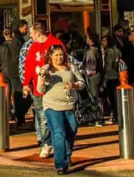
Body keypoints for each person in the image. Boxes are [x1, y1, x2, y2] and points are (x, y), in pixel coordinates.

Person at [36, 44, 85, 175]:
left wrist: (75, 85)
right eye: (56, 55)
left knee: (71, 130)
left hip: (69, 105)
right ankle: (60, 164)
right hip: (52, 105)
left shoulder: (70, 67)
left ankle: (67, 156)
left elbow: (82, 83)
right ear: (50, 56)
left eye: (61, 55)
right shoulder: (46, 69)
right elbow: (40, 90)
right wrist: (42, 80)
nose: (59, 57)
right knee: (58, 132)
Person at [22, 22, 67, 159]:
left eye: (32, 33)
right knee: (41, 117)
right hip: (38, 87)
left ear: (38, 33)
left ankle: (56, 142)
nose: (30, 36)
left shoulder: (55, 44)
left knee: (55, 116)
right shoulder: (33, 47)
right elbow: (29, 65)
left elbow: (65, 61)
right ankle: (45, 143)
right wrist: (26, 84)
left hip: (54, 87)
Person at [101, 35, 121, 123]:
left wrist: (103, 73)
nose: (102, 43)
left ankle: (115, 116)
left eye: (104, 41)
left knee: (112, 98)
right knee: (116, 98)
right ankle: (117, 115)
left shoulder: (108, 51)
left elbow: (108, 65)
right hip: (117, 76)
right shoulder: (117, 50)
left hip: (110, 76)